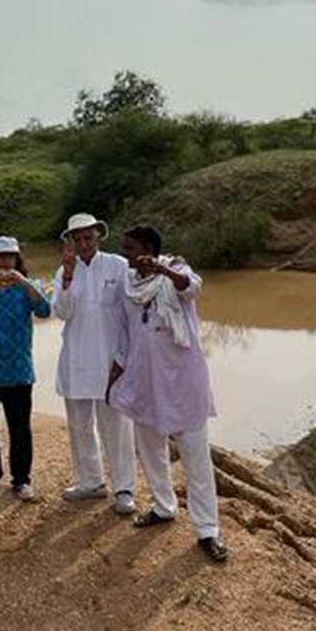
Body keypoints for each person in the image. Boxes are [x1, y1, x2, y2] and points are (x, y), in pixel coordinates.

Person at [105, 224, 228, 563]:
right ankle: (163, 506)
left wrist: (163, 270)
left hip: (183, 383)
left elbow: (192, 289)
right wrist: (115, 373)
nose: (125, 255)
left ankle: (207, 530)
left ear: (147, 247)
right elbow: (124, 334)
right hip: (144, 381)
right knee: (151, 451)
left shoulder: (176, 270)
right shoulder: (128, 286)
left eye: (129, 248)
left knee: (195, 459)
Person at [52, 211, 137, 512]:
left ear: (99, 236)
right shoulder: (64, 272)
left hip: (111, 360)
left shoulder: (119, 265)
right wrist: (67, 276)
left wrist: (125, 358)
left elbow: (131, 316)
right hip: (76, 361)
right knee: (80, 426)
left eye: (88, 237)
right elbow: (61, 313)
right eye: (78, 239)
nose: (84, 243)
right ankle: (90, 482)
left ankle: (124, 488)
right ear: (71, 242)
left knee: (116, 427)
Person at [0, 235, 51, 500]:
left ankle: (21, 479)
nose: (5, 262)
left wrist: (25, 283)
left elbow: (44, 311)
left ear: (17, 258)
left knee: (20, 428)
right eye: (0, 256)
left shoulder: (29, 286)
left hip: (19, 369)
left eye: (10, 256)